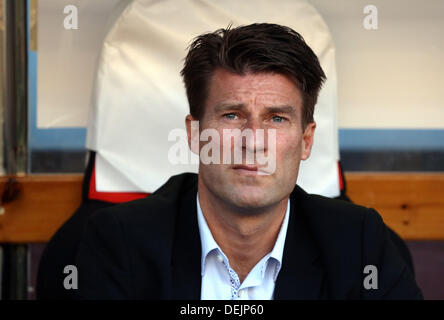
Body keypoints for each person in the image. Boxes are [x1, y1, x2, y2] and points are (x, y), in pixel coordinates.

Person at [76, 23, 422, 299]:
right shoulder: (119, 243)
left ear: (306, 140)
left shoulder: (361, 246)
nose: (253, 140)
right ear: (195, 134)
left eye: (276, 119)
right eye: (231, 115)